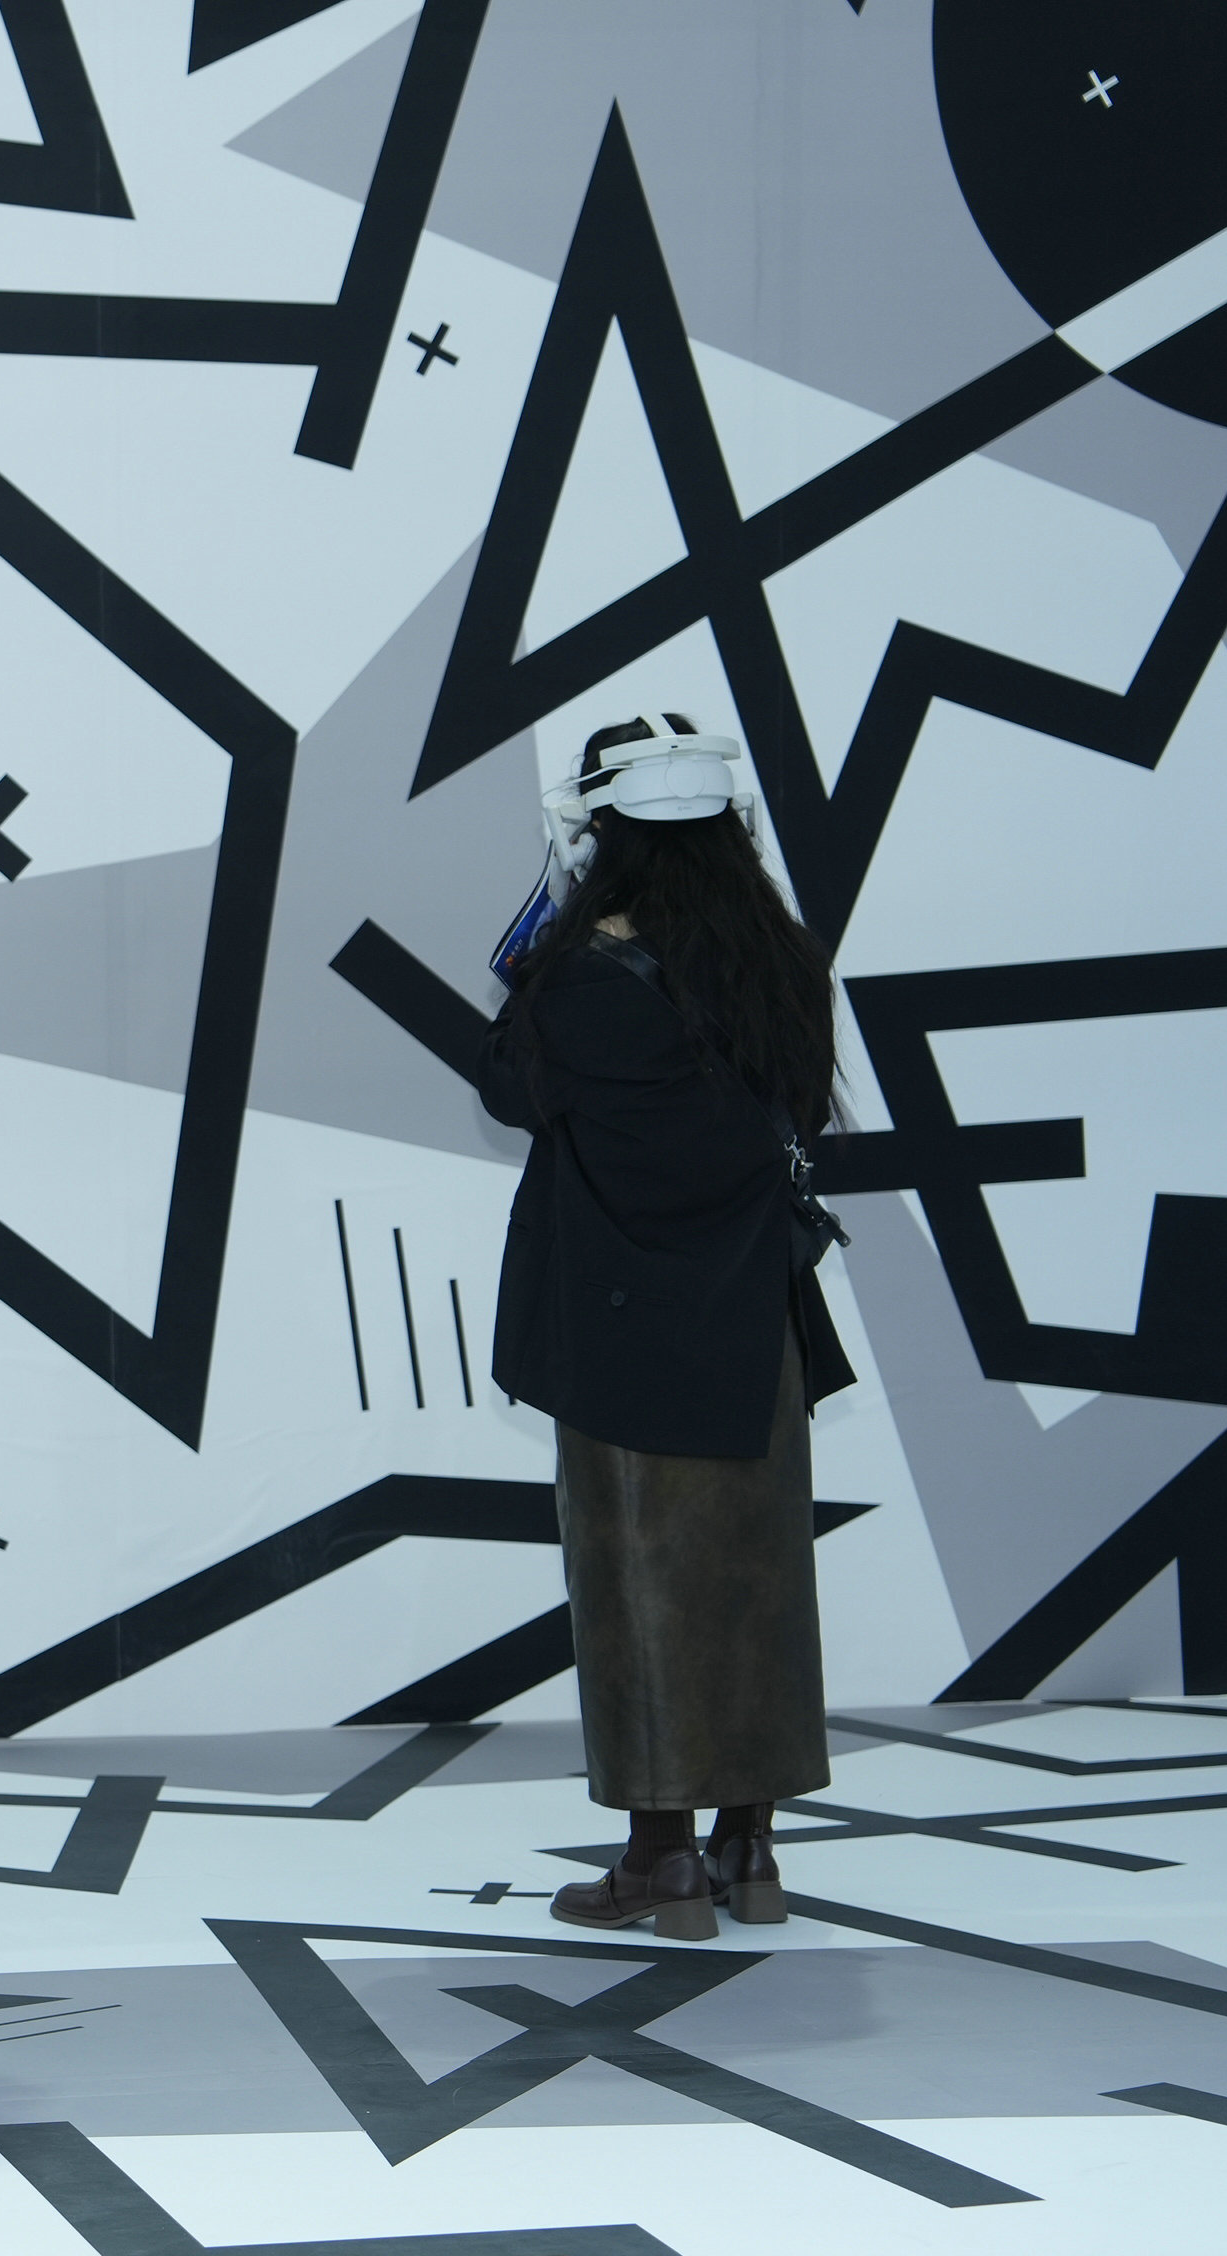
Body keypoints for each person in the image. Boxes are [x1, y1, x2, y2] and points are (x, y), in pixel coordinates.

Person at [477, 713, 854, 1943]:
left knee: (637, 1581)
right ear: (726, 827)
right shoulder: (782, 962)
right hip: (754, 1318)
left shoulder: (580, 982)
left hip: (620, 1326)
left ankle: (660, 1861)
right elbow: (803, 1114)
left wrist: (554, 912)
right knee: (755, 1578)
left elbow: (504, 1084)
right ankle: (751, 1846)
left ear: (606, 834)